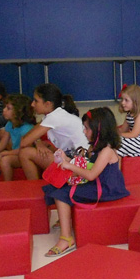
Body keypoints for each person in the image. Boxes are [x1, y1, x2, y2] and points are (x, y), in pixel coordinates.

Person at [42, 108, 129, 256]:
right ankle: (65, 218)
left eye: (87, 128)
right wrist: (67, 159)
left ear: (99, 131)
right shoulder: (94, 147)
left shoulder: (107, 151)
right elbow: (87, 166)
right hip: (98, 184)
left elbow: (91, 175)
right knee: (55, 186)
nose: (84, 131)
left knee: (61, 194)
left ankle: (66, 238)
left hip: (107, 189)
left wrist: (69, 166)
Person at [18, 83, 88, 179]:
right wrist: (38, 143)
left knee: (25, 153)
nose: (32, 104)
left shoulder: (53, 117)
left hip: (79, 165)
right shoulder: (54, 115)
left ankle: (34, 186)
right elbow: (29, 136)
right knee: (44, 147)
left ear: (48, 104)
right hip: (74, 158)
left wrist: (37, 142)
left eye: (36, 101)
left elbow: (24, 142)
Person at [0, 93, 37, 183]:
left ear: (18, 112)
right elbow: (2, 144)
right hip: (14, 153)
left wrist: (5, 153)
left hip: (22, 156)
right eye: (5, 107)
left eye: (8, 108)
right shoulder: (9, 124)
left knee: (5, 160)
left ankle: (7, 183)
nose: (4, 110)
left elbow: (23, 150)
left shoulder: (26, 128)